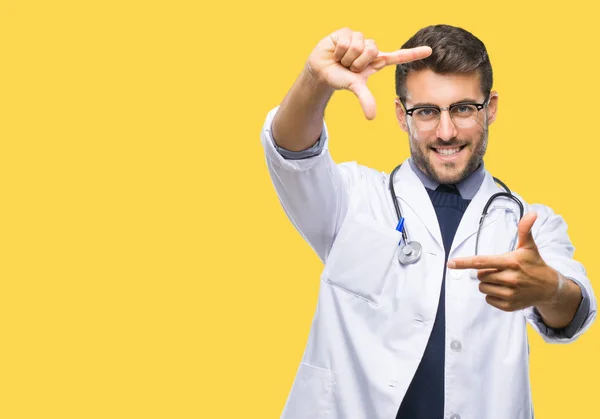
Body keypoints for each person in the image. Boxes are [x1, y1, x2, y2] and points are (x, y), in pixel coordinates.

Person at [259, 25, 597, 419]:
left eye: (463, 108)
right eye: (426, 112)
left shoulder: (530, 224)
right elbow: (291, 153)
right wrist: (315, 81)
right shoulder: (352, 199)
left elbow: (572, 310)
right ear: (402, 116)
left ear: (490, 109)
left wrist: (550, 289)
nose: (446, 131)